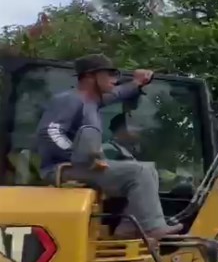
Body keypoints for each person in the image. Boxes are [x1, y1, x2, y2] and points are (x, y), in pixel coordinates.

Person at [36, 54, 182, 239]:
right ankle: (153, 228)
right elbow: (50, 132)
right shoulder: (70, 99)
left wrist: (138, 82)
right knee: (137, 173)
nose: (116, 79)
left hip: (80, 166)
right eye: (110, 74)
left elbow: (118, 93)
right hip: (63, 169)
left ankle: (129, 226)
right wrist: (76, 153)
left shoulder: (92, 102)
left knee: (148, 169)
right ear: (90, 77)